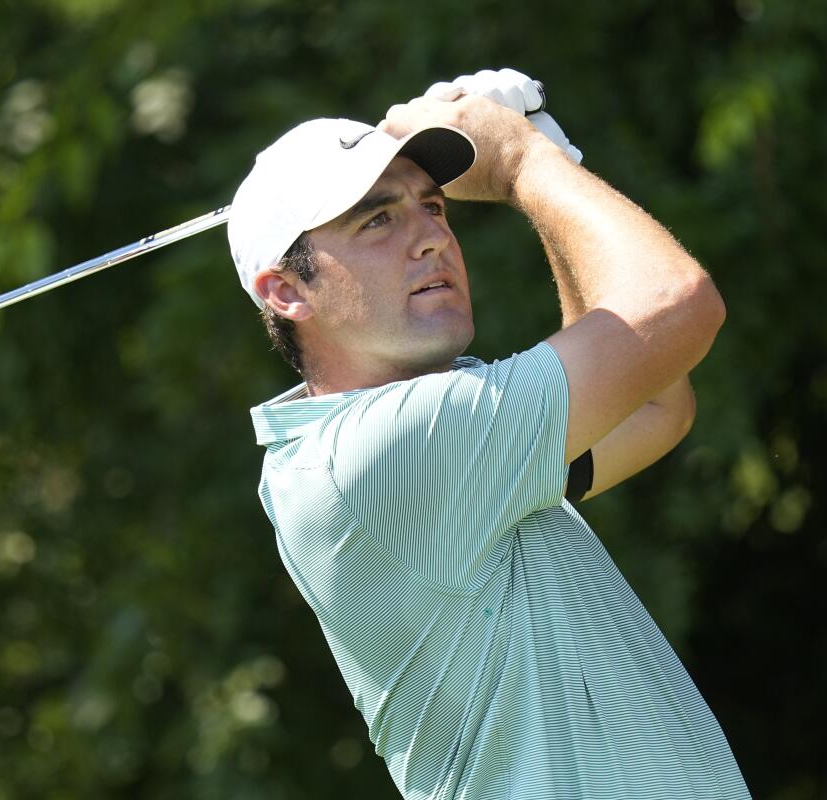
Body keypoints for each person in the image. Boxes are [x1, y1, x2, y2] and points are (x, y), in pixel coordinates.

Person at [227, 69, 751, 799]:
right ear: (287, 290)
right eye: (377, 219)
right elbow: (675, 305)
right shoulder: (384, 454)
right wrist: (522, 164)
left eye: (433, 206)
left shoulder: (418, 445)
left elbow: (653, 407)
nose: (431, 239)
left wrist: (551, 165)